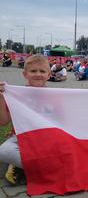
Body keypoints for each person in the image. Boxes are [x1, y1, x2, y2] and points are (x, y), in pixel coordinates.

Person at [0, 55, 51, 185]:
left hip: (47, 138)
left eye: (42, 71)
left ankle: (21, 165)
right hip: (21, 137)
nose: (38, 74)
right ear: (25, 74)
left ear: (49, 74)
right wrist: (1, 97)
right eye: (33, 71)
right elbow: (3, 122)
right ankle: (43, 168)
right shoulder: (14, 94)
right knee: (4, 151)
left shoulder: (55, 95)